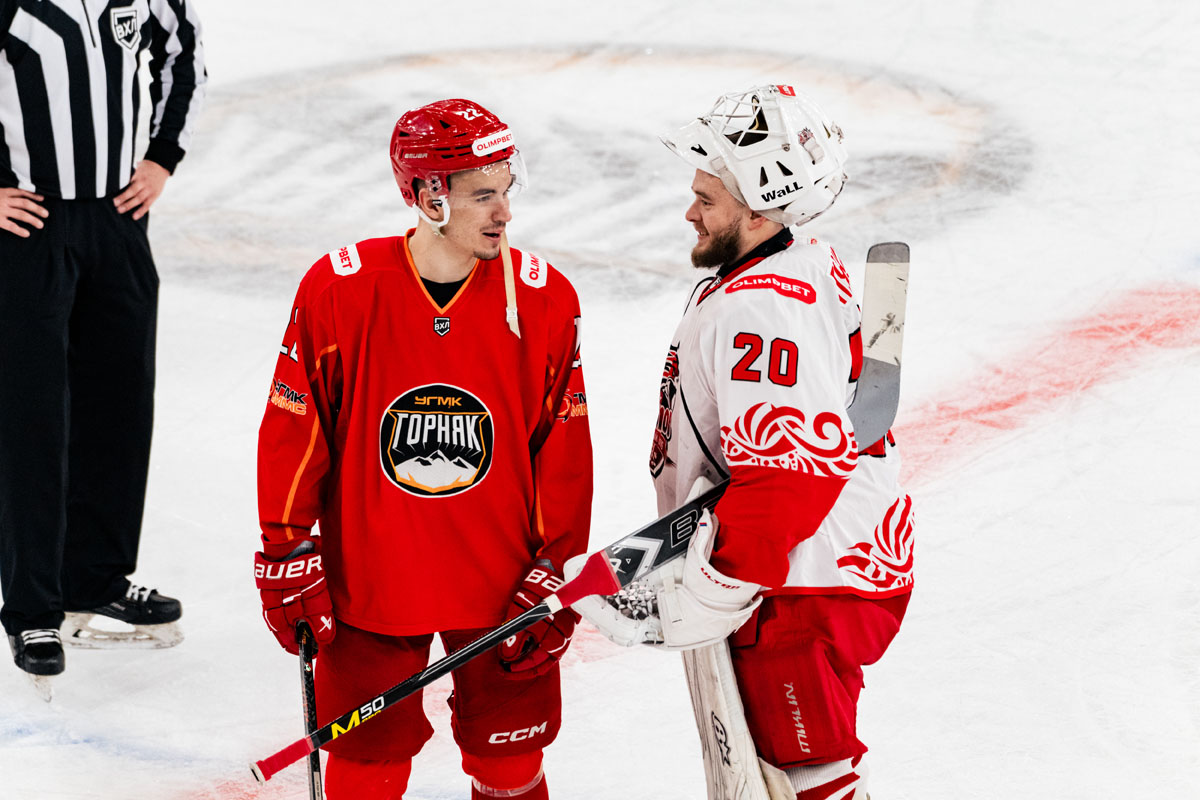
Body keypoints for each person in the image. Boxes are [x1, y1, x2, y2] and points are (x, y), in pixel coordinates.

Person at [581, 84, 914, 799]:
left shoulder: (762, 306)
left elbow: (792, 471)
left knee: (806, 776)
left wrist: (721, 582)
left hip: (798, 579)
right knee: (782, 773)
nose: (689, 212)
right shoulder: (792, 260)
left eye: (707, 198)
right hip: (820, 563)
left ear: (761, 206)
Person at [254, 98, 592, 800]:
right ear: (428, 193)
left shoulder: (545, 300)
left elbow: (563, 447)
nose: (504, 213)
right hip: (372, 582)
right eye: (482, 195)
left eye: (506, 190)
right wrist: (286, 546)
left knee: (510, 768)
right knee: (367, 770)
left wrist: (555, 563)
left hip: (502, 588)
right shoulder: (340, 290)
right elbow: (296, 427)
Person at [0, 0, 206, 681]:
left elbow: (183, 53)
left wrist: (163, 156)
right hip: (30, 228)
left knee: (120, 406)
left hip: (118, 220)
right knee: (33, 419)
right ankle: (32, 606)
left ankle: (94, 580)